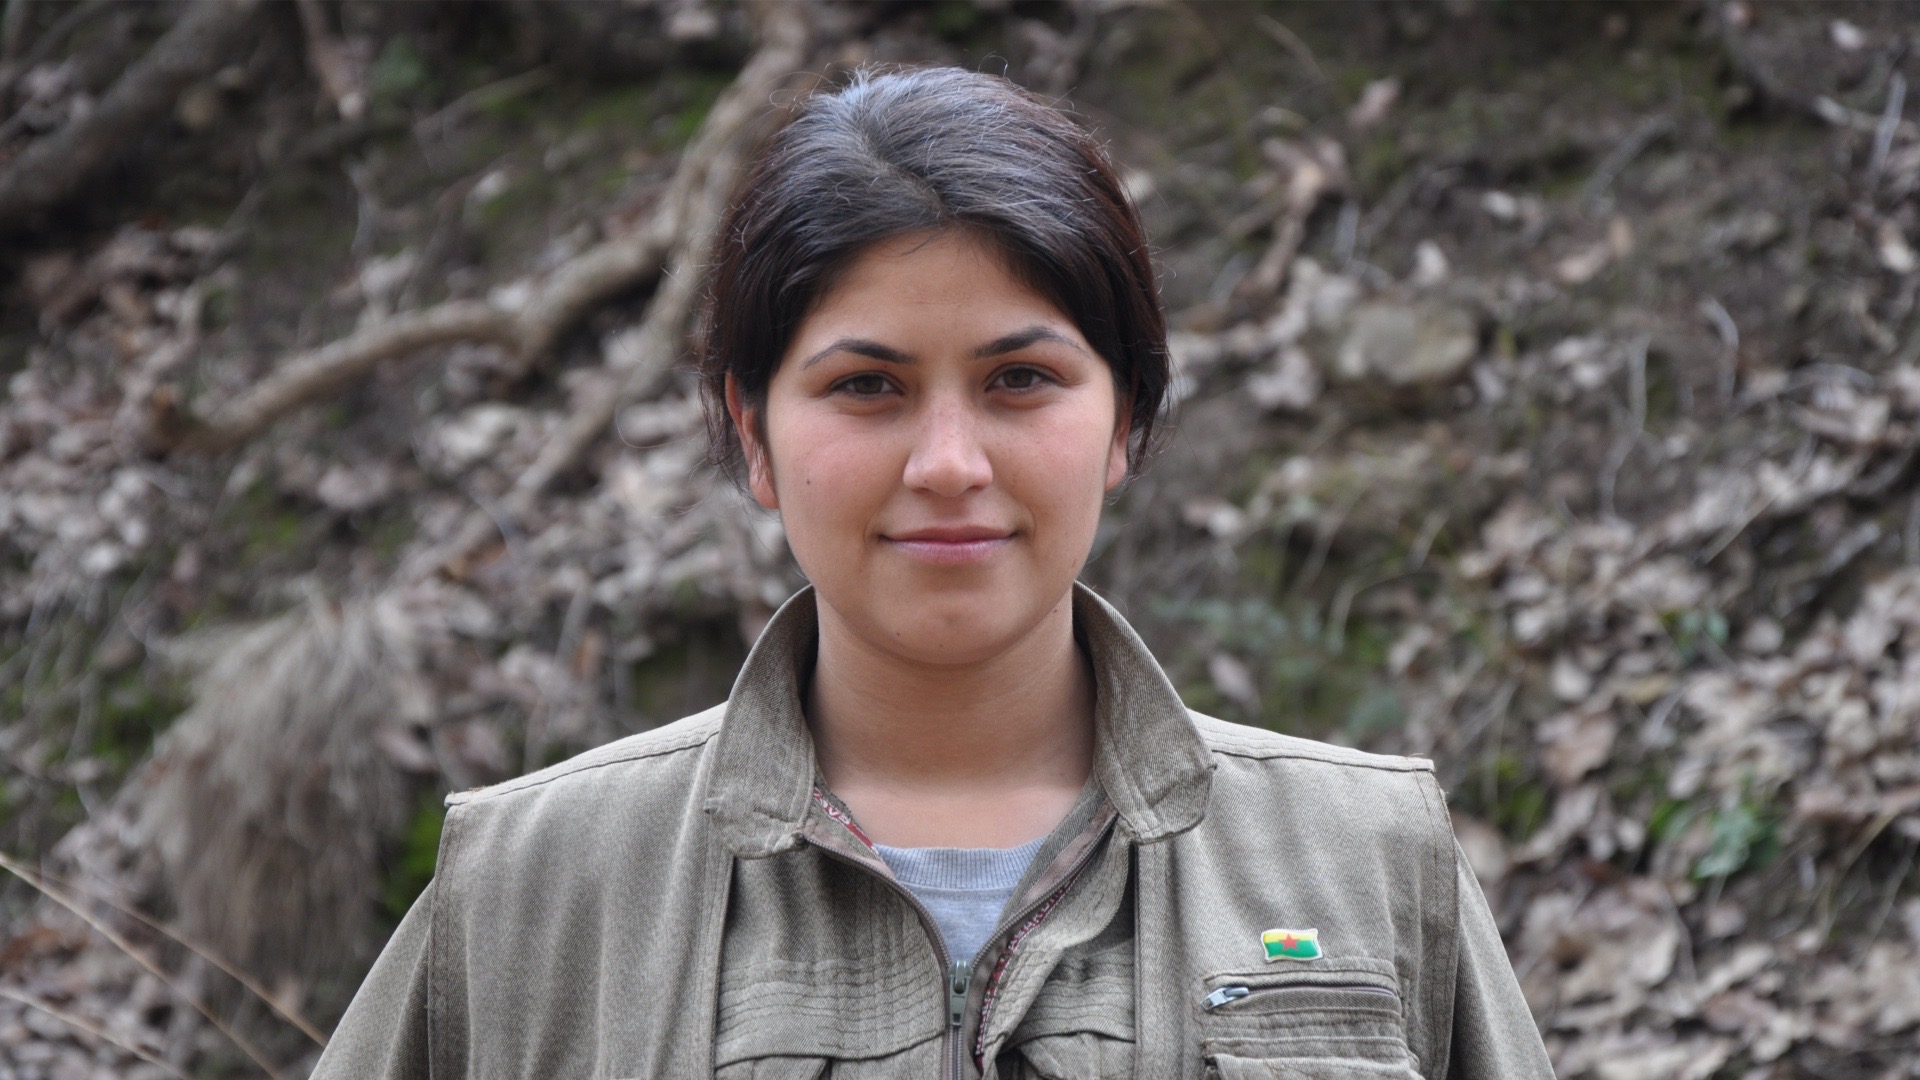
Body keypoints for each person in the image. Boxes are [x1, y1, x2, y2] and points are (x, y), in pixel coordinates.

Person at [313, 66, 1554, 1080]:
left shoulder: (1364, 858)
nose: (949, 464)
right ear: (754, 433)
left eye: (1021, 379)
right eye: (868, 386)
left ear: (1125, 421)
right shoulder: (533, 889)